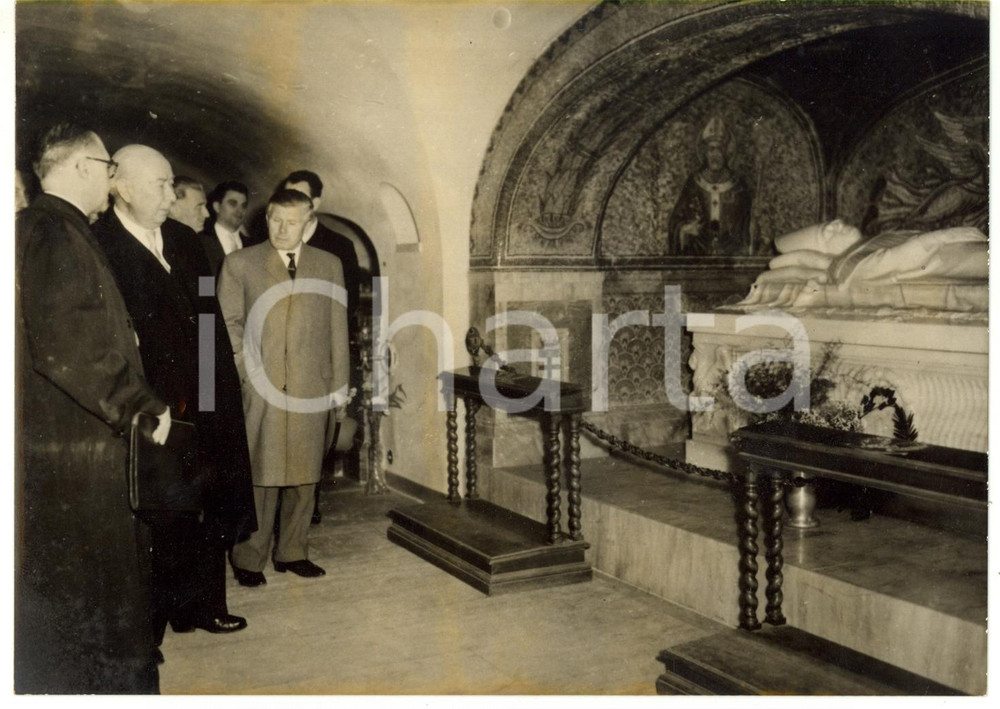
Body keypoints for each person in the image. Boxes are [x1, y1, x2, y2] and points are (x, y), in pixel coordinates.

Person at [15, 123, 170, 693]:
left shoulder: (49, 228)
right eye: (108, 169)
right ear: (82, 166)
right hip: (82, 450)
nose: (110, 182)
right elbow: (70, 345)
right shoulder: (55, 232)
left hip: (68, 444)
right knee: (98, 592)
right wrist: (140, 406)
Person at [93, 145, 257, 649]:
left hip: (205, 398)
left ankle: (206, 606)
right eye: (160, 185)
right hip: (150, 407)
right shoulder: (100, 246)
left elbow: (208, 321)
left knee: (208, 502)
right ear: (120, 186)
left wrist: (214, 400)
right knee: (158, 517)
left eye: (170, 185)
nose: (171, 195)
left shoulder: (187, 240)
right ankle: (152, 628)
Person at [218, 189, 350, 586]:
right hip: (261, 388)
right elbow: (228, 325)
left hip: (314, 386)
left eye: (292, 222)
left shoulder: (329, 265)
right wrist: (245, 374)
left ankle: (293, 551)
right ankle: (248, 558)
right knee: (261, 474)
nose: (282, 228)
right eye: (276, 219)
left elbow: (337, 328)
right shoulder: (240, 263)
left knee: (306, 475)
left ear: (308, 224)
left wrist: (340, 386)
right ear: (266, 219)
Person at [282, 169, 362, 523]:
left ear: (316, 203)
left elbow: (347, 310)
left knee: (319, 437)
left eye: (300, 197)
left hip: (320, 359)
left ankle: (308, 502)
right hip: (280, 359)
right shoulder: (272, 238)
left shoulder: (338, 247)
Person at [667, 116, 753, 256]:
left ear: (726, 153)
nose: (715, 155)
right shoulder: (694, 183)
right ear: (705, 153)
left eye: (719, 150)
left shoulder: (739, 185)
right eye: (711, 150)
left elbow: (747, 223)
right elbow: (676, 220)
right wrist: (685, 229)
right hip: (698, 254)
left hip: (731, 256)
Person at [200, 180, 249, 276]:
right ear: (217, 207)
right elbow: (205, 287)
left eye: (243, 205)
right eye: (233, 204)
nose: (239, 210)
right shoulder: (202, 241)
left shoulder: (252, 245)